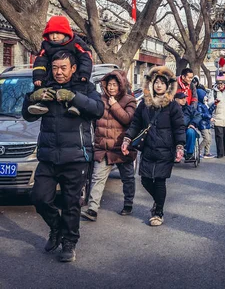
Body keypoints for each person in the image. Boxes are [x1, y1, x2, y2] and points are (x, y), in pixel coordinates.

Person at [22, 50, 104, 262]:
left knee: (71, 204)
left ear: (73, 68)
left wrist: (75, 97)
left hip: (76, 156)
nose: (58, 72)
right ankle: (56, 228)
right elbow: (27, 115)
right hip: (48, 156)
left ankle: (69, 243)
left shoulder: (86, 87)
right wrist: (33, 97)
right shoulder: (45, 85)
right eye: (55, 67)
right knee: (39, 198)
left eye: (63, 68)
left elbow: (98, 109)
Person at [122, 66, 185, 227]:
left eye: (162, 83)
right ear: (151, 84)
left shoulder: (172, 105)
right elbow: (135, 123)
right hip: (148, 148)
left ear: (168, 86)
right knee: (145, 180)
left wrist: (179, 146)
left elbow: (179, 127)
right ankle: (158, 203)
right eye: (156, 82)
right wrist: (127, 139)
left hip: (166, 149)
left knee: (159, 181)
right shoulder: (144, 104)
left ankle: (158, 212)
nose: (158, 86)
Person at [81, 70, 137, 222]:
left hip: (121, 148)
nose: (111, 87)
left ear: (120, 86)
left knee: (128, 178)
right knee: (97, 178)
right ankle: (92, 208)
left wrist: (115, 105)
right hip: (103, 148)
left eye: (115, 84)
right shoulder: (100, 100)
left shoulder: (129, 100)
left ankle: (128, 203)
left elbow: (127, 119)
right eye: (109, 84)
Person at [29, 16, 93, 116]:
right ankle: (42, 104)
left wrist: (84, 73)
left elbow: (86, 56)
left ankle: (75, 106)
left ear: (65, 32)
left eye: (57, 33)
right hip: (52, 75)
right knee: (43, 84)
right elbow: (40, 60)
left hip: (74, 74)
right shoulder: (46, 45)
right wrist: (38, 76)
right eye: (51, 33)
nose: (54, 37)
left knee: (79, 85)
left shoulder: (75, 42)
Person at [174, 92, 201, 160]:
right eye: (181, 98)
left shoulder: (189, 108)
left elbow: (198, 116)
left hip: (186, 128)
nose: (184, 100)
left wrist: (192, 123)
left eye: (185, 98)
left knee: (191, 132)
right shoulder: (171, 108)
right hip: (174, 129)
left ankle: (189, 153)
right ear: (176, 99)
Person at [196, 88, 216, 158]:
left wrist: (214, 105)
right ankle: (198, 151)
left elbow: (208, 111)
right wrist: (209, 117)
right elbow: (201, 114)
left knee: (209, 139)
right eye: (204, 96)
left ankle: (207, 152)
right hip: (202, 124)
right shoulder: (199, 105)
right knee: (206, 138)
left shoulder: (204, 104)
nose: (206, 97)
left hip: (207, 123)